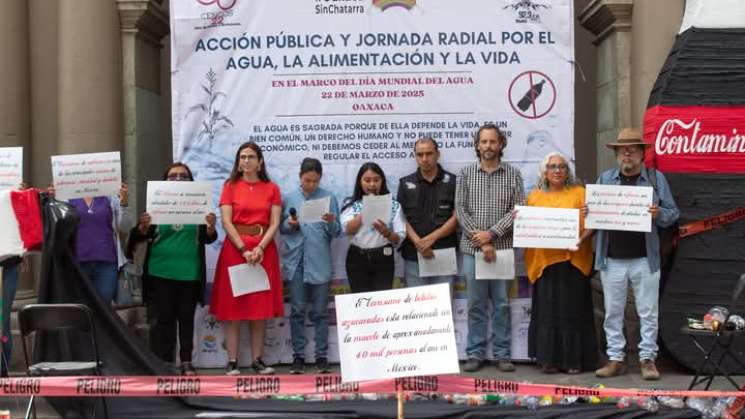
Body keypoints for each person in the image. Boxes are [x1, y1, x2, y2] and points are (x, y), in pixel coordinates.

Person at [593, 128, 679, 380]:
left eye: (633, 149)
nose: (627, 153)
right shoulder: (605, 179)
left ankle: (647, 359)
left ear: (642, 154)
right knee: (613, 312)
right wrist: (591, 210)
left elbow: (673, 213)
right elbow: (594, 216)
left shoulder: (655, 178)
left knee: (648, 311)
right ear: (617, 154)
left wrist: (658, 214)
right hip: (611, 259)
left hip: (645, 258)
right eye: (622, 149)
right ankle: (616, 359)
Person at [127, 163, 217, 376]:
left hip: (189, 272)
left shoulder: (199, 206)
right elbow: (137, 237)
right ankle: (163, 363)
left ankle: (186, 362)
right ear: (164, 180)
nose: (178, 179)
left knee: (186, 320)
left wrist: (211, 227)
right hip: (160, 273)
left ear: (190, 180)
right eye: (172, 176)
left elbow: (208, 238)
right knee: (162, 321)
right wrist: (142, 227)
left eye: (183, 176)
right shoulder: (155, 206)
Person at [455, 123, 525, 373]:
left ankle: (503, 354)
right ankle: (474, 353)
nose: (488, 146)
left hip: (503, 249)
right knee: (475, 303)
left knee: (502, 304)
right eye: (483, 142)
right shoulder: (464, 174)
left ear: (501, 144)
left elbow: (518, 210)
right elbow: (460, 211)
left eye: (492, 142)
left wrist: (492, 234)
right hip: (474, 250)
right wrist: (482, 241)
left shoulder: (513, 174)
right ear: (477, 145)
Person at [210, 142, 283, 376]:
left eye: (251, 157)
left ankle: (257, 360)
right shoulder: (229, 186)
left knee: (258, 308)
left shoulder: (272, 188)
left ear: (260, 161)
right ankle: (232, 361)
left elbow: (274, 223)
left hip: (264, 251)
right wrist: (243, 249)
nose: (246, 161)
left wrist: (260, 247)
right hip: (235, 250)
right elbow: (226, 222)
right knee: (234, 308)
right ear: (238, 161)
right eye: (242, 157)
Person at [525, 152, 596, 374]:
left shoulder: (580, 193)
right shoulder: (534, 197)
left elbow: (593, 223)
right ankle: (548, 360)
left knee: (572, 310)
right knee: (547, 312)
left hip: (573, 261)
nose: (557, 170)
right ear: (544, 172)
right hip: (545, 263)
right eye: (552, 167)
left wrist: (581, 238)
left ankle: (573, 360)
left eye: (562, 166)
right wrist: (522, 224)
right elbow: (529, 228)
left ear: (568, 171)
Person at [280, 158, 340, 375]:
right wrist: (290, 224)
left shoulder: (328, 197)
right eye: (307, 180)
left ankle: (322, 356)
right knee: (296, 311)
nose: (311, 185)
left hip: (319, 262)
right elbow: (281, 229)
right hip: (296, 262)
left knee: (320, 312)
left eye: (315, 181)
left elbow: (337, 232)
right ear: (300, 176)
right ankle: (298, 357)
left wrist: (330, 221)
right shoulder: (288, 198)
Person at [397, 138, 458, 290]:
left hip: (444, 253)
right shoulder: (405, 183)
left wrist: (429, 240)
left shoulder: (454, 181)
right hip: (414, 254)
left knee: (443, 307)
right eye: (420, 154)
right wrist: (419, 242)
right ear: (415, 156)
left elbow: (457, 217)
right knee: (417, 308)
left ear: (438, 154)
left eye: (429, 153)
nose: (424, 159)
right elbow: (400, 218)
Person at [340, 162, 405, 293]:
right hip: (357, 258)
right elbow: (348, 230)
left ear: (382, 181)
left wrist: (386, 232)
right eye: (367, 180)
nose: (372, 184)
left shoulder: (394, 205)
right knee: (360, 300)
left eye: (376, 180)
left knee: (381, 301)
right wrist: (367, 209)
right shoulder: (350, 204)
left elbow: (399, 238)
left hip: (384, 257)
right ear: (360, 182)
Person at [68, 184, 133, 303]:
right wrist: (51, 199)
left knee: (104, 308)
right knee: (81, 307)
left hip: (107, 264)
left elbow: (125, 227)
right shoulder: (67, 196)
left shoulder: (110, 196)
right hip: (77, 263)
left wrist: (123, 204)